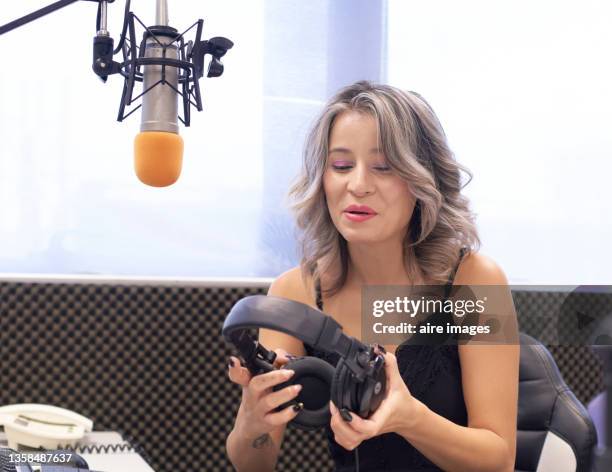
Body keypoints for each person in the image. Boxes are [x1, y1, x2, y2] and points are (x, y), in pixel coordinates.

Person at [225, 81, 519, 471]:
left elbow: (499, 460)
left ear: (421, 181)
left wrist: (410, 418)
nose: (358, 185)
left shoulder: (476, 282)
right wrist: (253, 418)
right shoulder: (295, 292)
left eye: (383, 167)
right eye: (341, 166)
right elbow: (253, 465)